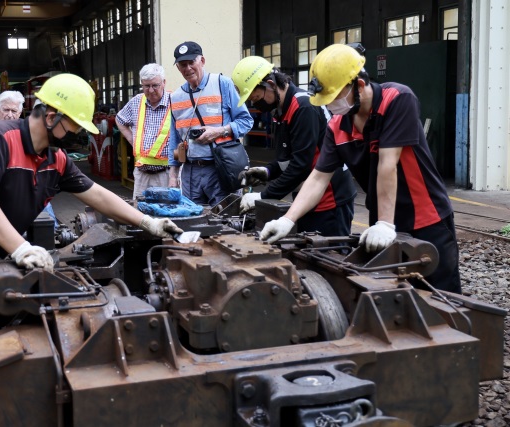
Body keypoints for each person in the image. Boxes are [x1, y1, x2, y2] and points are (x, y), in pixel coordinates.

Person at [0, 73, 183, 426]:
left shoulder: (55, 158)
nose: (78, 133)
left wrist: (148, 223)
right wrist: (20, 248)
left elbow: (97, 194)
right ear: (50, 115)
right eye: (73, 125)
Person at [260, 44, 461, 294]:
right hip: (383, 222)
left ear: (360, 85)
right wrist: (288, 219)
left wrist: (386, 224)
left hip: (426, 218)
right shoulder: (337, 126)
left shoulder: (397, 100)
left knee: (442, 298)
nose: (331, 105)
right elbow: (318, 178)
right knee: (396, 298)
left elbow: (389, 164)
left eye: (334, 98)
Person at [232, 56, 356, 236]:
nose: (257, 105)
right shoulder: (282, 111)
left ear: (270, 84)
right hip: (307, 199)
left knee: (328, 255)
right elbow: (289, 158)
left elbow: (301, 165)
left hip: (330, 199)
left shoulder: (303, 107)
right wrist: (267, 171)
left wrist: (264, 195)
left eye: (257, 98)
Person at [167, 41, 253, 206]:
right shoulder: (176, 97)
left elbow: (246, 121)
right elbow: (174, 141)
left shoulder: (222, 84)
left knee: (226, 218)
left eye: (191, 62)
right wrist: (172, 175)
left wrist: (220, 131)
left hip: (221, 168)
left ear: (202, 61)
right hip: (190, 173)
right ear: (178, 68)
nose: (188, 68)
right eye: (182, 65)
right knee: (193, 220)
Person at [116, 63, 172, 199]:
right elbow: (119, 119)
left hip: (166, 174)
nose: (151, 90)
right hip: (141, 174)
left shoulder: (175, 102)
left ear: (164, 83)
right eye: (146, 86)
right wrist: (132, 139)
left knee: (165, 214)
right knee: (140, 214)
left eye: (155, 85)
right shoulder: (137, 102)